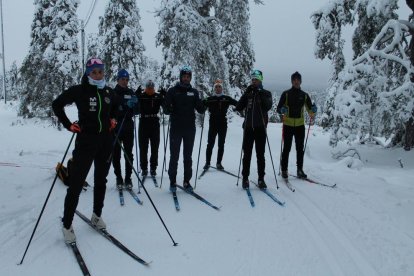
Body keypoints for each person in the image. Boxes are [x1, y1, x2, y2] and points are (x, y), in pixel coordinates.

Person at [52, 58, 118, 244]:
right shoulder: (80, 90)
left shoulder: (107, 91)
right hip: (86, 142)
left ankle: (96, 216)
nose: (98, 74)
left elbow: (117, 106)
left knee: (101, 180)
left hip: (105, 141)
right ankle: (67, 225)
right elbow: (57, 104)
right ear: (88, 73)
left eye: (100, 71)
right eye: (94, 71)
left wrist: (113, 118)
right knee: (76, 183)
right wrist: (68, 125)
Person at [164, 65, 205, 192]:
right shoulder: (172, 91)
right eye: (184, 76)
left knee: (188, 157)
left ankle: (187, 181)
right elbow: (165, 109)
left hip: (189, 129)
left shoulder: (194, 92)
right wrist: (168, 107)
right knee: (174, 156)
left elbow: (200, 109)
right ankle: (172, 181)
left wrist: (204, 104)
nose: (186, 78)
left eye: (188, 77)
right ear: (180, 77)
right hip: (176, 128)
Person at [235, 69, 273, 190]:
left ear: (261, 79)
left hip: (260, 128)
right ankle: (245, 178)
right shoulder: (249, 93)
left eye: (256, 79)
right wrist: (246, 94)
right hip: (248, 129)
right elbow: (239, 107)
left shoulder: (266, 93)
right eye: (253, 79)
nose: (254, 81)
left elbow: (268, 106)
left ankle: (261, 179)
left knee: (260, 155)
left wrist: (260, 93)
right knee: (247, 155)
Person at [276, 71, 317, 179]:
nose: (296, 81)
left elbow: (310, 110)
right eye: (294, 80)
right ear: (292, 81)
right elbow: (278, 108)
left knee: (300, 149)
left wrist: (313, 111)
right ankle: (284, 170)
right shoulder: (286, 94)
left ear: (300, 81)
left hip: (300, 126)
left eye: (298, 80)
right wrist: (282, 110)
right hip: (288, 125)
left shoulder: (304, 95)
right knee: (287, 148)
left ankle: (300, 170)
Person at [112, 69, 138, 191]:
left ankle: (128, 178)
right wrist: (123, 107)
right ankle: (118, 178)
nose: (125, 82)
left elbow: (137, 111)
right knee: (116, 154)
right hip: (116, 128)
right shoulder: (113, 93)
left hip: (128, 127)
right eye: (123, 79)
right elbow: (111, 111)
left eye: (127, 79)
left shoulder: (130, 92)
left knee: (128, 154)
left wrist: (135, 105)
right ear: (118, 79)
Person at [203, 79, 237, 170]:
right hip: (213, 123)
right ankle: (207, 163)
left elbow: (238, 104)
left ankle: (219, 163)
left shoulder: (226, 98)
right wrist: (202, 107)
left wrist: (239, 108)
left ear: (222, 88)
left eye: (219, 87)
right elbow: (200, 105)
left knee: (221, 144)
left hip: (222, 124)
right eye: (216, 87)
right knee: (210, 144)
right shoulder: (210, 99)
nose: (218, 88)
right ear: (214, 88)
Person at [137, 80, 164, 177]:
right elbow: (135, 109)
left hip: (154, 122)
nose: (150, 89)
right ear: (145, 87)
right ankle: (144, 168)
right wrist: (136, 95)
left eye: (151, 88)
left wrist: (164, 96)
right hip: (143, 122)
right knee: (143, 147)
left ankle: (153, 168)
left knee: (155, 147)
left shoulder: (157, 96)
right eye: (148, 87)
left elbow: (165, 107)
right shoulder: (141, 96)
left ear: (154, 88)